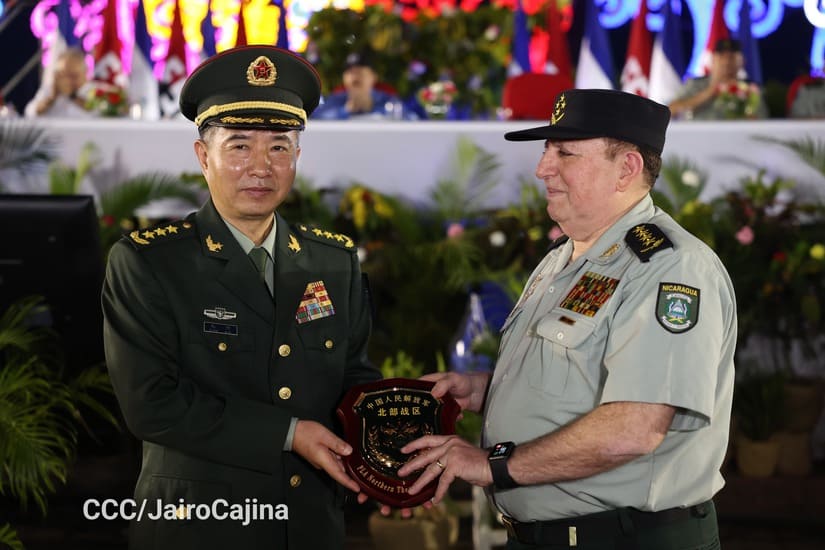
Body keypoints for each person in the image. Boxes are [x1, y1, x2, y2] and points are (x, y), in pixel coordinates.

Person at [397, 89, 736, 550]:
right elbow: (580, 377)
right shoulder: (568, 254)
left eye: (565, 153)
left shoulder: (668, 268)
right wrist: (487, 390)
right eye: (546, 151)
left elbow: (634, 428)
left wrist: (492, 464)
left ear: (627, 168)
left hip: (626, 539)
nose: (542, 168)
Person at [101, 46, 381, 549]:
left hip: (310, 525)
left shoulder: (332, 261)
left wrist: (392, 448)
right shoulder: (150, 264)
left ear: (297, 157)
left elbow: (355, 380)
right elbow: (151, 405)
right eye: (239, 146)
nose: (261, 167)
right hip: (199, 527)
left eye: (279, 147)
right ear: (202, 156)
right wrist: (289, 433)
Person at [669, 38, 768, 120]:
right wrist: (709, 92)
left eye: (731, 57)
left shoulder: (751, 89)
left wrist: (745, 104)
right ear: (712, 60)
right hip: (699, 136)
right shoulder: (695, 84)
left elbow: (762, 120)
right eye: (721, 57)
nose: (726, 62)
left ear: (742, 62)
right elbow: (671, 111)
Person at [312, 49, 419, 120]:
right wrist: (345, 111)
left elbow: (411, 119)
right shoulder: (335, 100)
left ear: (373, 77)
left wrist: (374, 110)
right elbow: (316, 121)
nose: (355, 77)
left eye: (360, 72)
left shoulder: (387, 100)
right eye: (350, 73)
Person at [24, 47, 94, 118]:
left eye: (73, 76)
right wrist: (51, 98)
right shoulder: (49, 89)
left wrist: (71, 95)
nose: (67, 80)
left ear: (85, 73)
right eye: (63, 75)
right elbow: (30, 113)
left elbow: (98, 112)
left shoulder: (96, 90)